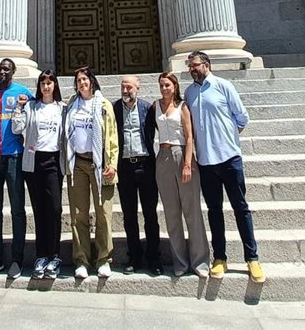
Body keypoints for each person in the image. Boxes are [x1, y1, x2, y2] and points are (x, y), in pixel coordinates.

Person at [183, 51, 264, 283]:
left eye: (195, 65)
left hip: (229, 159)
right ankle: (220, 257)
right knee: (214, 210)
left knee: (241, 208)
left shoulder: (223, 86)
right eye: (190, 66)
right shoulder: (189, 93)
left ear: (207, 65)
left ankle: (252, 258)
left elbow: (242, 118)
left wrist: (227, 140)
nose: (192, 69)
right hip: (206, 161)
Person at [62, 65, 118, 280]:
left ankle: (104, 258)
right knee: (78, 214)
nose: (82, 83)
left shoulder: (104, 105)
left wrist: (112, 163)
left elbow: (112, 136)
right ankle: (81, 259)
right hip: (77, 163)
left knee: (103, 213)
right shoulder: (71, 104)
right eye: (78, 80)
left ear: (92, 81)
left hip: (100, 165)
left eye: (85, 79)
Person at [0, 57, 32, 278]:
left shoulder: (23, 92)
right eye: (0, 69)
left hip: (14, 156)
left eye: (7, 69)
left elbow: (35, 115)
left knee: (17, 209)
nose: (3, 72)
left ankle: (17, 259)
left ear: (14, 72)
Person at [12, 69, 65, 279]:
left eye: (49, 83)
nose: (46, 86)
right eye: (43, 83)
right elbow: (17, 128)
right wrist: (18, 108)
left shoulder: (62, 108)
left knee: (55, 208)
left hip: (54, 161)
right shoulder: (31, 107)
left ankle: (54, 256)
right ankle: (41, 256)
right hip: (34, 162)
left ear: (55, 85)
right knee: (39, 209)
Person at [154, 71, 209, 277]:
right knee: (171, 213)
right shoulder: (155, 106)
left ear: (175, 86)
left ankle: (200, 261)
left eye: (167, 85)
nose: (164, 88)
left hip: (182, 155)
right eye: (161, 85)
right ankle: (180, 262)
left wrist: (187, 163)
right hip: (163, 157)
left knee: (191, 210)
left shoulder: (183, 106)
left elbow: (189, 135)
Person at [113, 75, 161, 274]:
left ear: (137, 89)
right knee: (129, 215)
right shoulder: (114, 109)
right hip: (124, 167)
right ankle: (134, 256)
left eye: (129, 88)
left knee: (150, 214)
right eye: (123, 87)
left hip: (145, 166)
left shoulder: (148, 109)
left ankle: (154, 257)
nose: (126, 91)